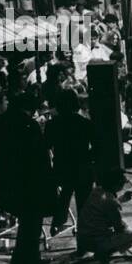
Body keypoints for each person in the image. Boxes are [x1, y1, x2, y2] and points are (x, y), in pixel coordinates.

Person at [0, 91, 55, 264]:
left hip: (11, 180)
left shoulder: (1, 122)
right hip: (31, 181)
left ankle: (27, 259)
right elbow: (39, 155)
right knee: (32, 223)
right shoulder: (29, 125)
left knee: (26, 223)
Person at [45, 91, 94, 235]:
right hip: (83, 166)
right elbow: (96, 145)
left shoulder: (52, 124)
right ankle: (84, 234)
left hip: (62, 166)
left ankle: (59, 219)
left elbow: (46, 146)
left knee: (65, 192)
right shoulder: (85, 123)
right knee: (84, 202)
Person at [76, 169, 132, 260]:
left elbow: (103, 206)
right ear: (116, 185)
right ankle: (104, 253)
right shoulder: (111, 202)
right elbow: (119, 228)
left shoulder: (96, 191)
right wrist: (126, 228)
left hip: (82, 240)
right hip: (96, 242)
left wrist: (120, 200)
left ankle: (102, 251)